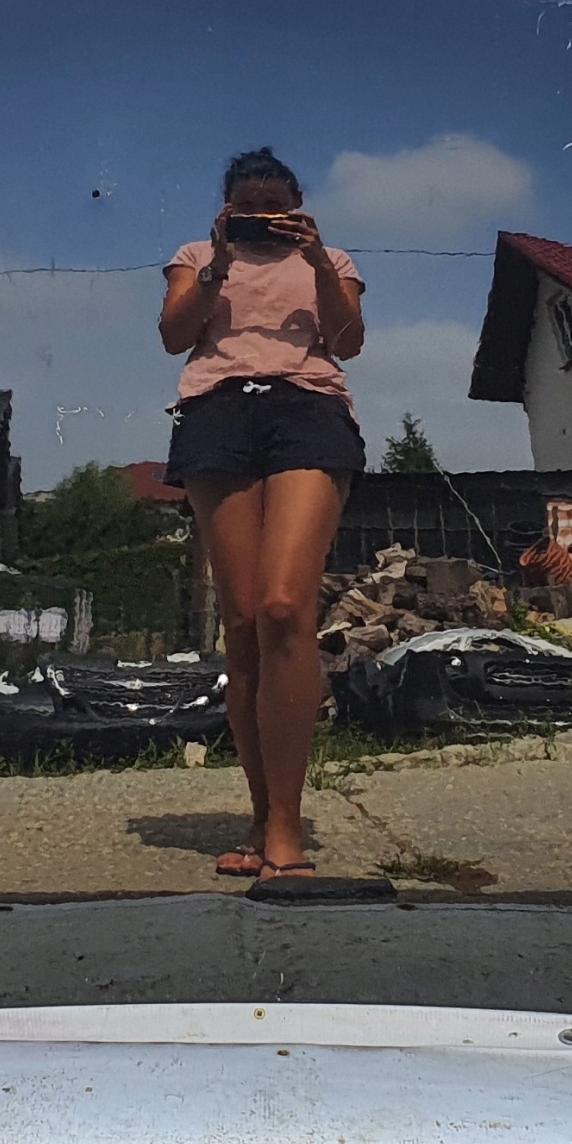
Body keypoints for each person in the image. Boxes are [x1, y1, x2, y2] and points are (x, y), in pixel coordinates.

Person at [158, 148, 366, 883]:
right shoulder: (195, 256)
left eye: (274, 205)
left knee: (284, 607)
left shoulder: (330, 260)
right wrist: (217, 263)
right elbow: (174, 335)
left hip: (308, 409)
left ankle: (287, 825)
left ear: (297, 207)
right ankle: (262, 816)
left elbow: (348, 342)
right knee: (243, 621)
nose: (261, 217)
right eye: (246, 206)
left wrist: (317, 263)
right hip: (217, 413)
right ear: (225, 208)